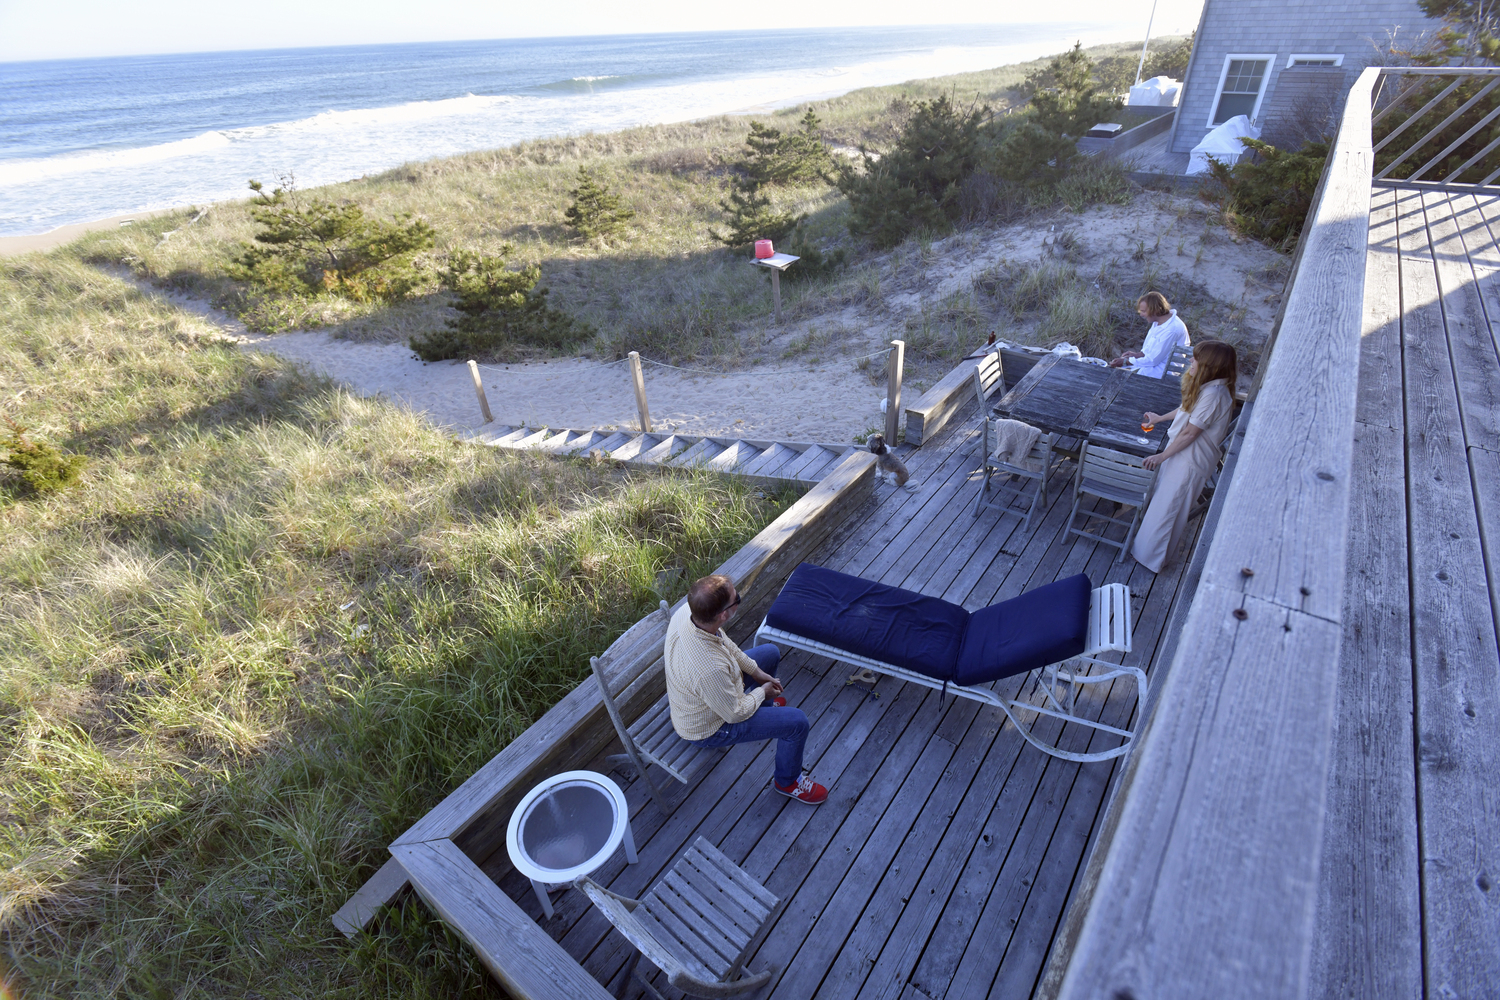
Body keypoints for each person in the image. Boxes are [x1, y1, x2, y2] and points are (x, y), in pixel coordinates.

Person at [664, 574, 829, 805]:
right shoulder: (708, 669)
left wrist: (757, 673)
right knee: (797, 723)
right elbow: (734, 713)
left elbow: (725, 644)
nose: (740, 598)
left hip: (713, 693)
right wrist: (762, 691)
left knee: (769, 653)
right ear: (723, 614)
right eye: (737, 598)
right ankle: (788, 781)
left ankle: (765, 710)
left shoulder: (689, 614)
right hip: (710, 726)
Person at [1130, 340, 1237, 573]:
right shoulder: (1209, 388)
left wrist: (1162, 456)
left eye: (1196, 358)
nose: (1191, 360)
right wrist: (1160, 418)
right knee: (1162, 503)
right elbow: (1185, 408)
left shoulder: (1215, 395)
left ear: (1210, 365)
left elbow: (1190, 433)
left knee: (1170, 509)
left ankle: (1152, 558)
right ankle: (1144, 550)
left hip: (1190, 459)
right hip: (1181, 453)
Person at [1109, 291, 1190, 378]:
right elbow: (1150, 351)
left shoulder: (1172, 329)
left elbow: (1153, 360)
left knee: (1123, 376)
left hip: (1164, 371)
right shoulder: (1158, 321)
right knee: (1116, 371)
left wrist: (1125, 361)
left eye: (1143, 311)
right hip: (1153, 365)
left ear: (1156, 310)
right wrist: (1136, 355)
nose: (1141, 315)